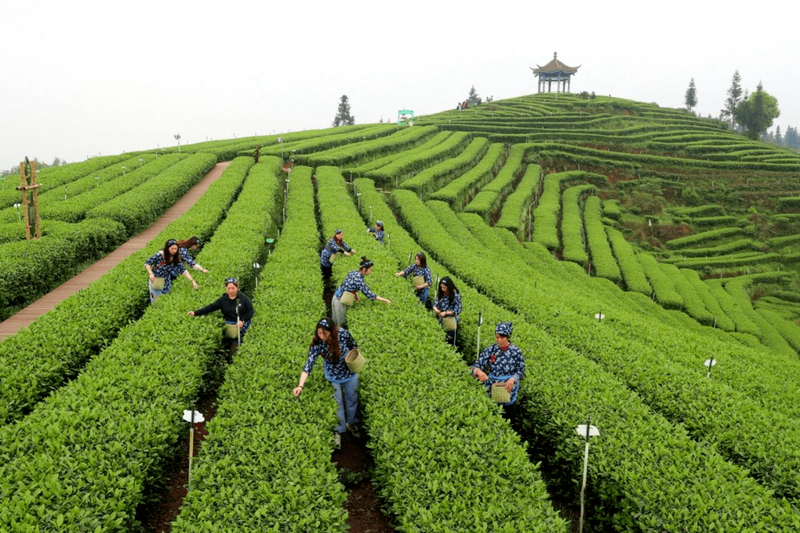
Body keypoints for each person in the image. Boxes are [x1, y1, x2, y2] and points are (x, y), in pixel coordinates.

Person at [293, 317, 360, 447]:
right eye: (319, 333)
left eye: (325, 333)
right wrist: (300, 385)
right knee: (337, 402)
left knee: (352, 399)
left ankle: (352, 424)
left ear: (332, 331)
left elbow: (353, 345)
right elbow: (309, 364)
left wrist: (352, 358)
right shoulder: (318, 344)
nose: (322, 336)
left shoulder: (343, 333)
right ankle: (339, 430)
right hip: (333, 375)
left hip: (349, 373)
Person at [188, 277, 254, 353]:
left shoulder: (243, 299)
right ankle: (231, 352)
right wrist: (195, 313)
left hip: (242, 323)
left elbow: (250, 311)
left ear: (237, 288)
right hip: (229, 323)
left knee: (240, 340)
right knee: (230, 340)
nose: (231, 290)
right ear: (226, 289)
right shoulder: (223, 300)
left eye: (233, 288)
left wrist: (242, 321)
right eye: (229, 288)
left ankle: (237, 352)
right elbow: (211, 307)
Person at [471, 322, 525, 410]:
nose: (499, 340)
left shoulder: (516, 351)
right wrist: (478, 372)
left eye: (502, 337)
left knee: (507, 414)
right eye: (497, 337)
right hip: (492, 386)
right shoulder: (490, 350)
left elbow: (520, 370)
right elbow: (476, 366)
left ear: (508, 337)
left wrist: (513, 379)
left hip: (508, 388)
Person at [332, 256, 391, 327]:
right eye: (370, 270)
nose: (371, 272)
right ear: (364, 269)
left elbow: (347, 285)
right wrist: (385, 300)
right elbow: (370, 295)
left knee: (334, 322)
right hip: (340, 302)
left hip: (335, 297)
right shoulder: (360, 280)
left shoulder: (353, 272)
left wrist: (356, 295)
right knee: (340, 325)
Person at [145, 238, 198, 303]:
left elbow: (183, 270)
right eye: (172, 249)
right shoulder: (159, 255)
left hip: (167, 281)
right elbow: (147, 263)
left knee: (165, 302)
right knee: (156, 302)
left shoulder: (175, 258)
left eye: (175, 249)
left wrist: (192, 281)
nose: (174, 251)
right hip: (156, 280)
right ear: (167, 248)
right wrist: (151, 274)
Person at [432, 276, 462, 343]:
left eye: (444, 287)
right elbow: (435, 304)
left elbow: (458, 309)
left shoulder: (455, 295)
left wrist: (446, 313)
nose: (442, 289)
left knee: (449, 337)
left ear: (449, 287)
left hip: (451, 319)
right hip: (442, 317)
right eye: (441, 287)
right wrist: (437, 310)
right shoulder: (441, 294)